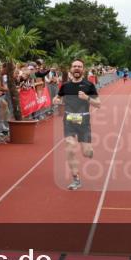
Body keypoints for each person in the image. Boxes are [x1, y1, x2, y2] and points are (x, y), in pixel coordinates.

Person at [53, 58, 100, 191]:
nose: (77, 68)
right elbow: (58, 98)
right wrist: (55, 100)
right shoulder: (65, 86)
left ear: (83, 70)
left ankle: (89, 151)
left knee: (86, 152)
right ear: (71, 69)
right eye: (75, 66)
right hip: (69, 120)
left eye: (79, 66)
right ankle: (76, 179)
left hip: (84, 121)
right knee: (70, 146)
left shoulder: (89, 85)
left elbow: (98, 104)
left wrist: (87, 98)